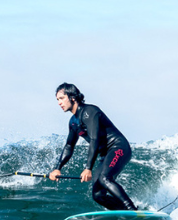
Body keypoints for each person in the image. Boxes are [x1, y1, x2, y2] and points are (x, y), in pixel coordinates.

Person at [49, 83, 138, 211]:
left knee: (105, 178)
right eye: (57, 100)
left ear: (72, 97)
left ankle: (132, 210)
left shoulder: (90, 112)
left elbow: (94, 139)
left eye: (61, 98)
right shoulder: (73, 122)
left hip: (118, 147)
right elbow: (69, 146)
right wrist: (57, 168)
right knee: (98, 195)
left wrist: (88, 168)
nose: (59, 103)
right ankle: (124, 211)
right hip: (105, 154)